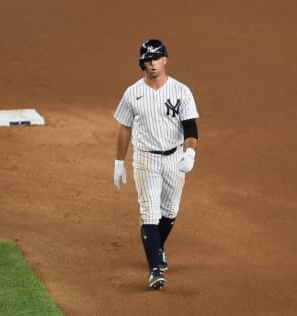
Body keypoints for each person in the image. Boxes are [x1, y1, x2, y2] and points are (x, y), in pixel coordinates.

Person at [113, 39, 199, 290]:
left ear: (165, 60)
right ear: (143, 62)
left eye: (157, 57)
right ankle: (154, 270)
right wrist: (119, 161)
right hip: (145, 158)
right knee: (149, 210)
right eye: (148, 58)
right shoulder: (132, 93)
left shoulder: (181, 91)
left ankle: (157, 247)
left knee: (170, 210)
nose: (152, 62)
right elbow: (124, 127)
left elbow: (190, 127)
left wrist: (190, 152)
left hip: (174, 157)